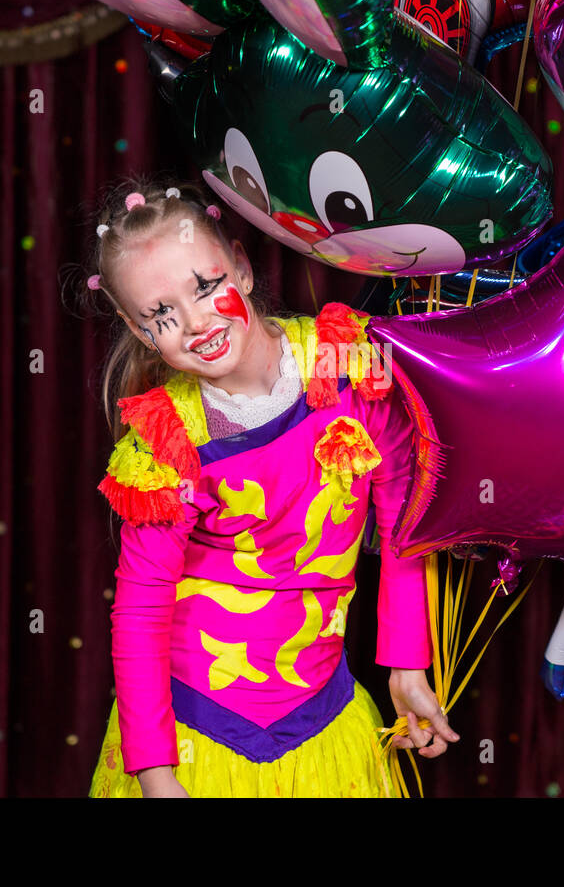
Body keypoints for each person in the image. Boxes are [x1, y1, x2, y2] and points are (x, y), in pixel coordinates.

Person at [83, 175, 458, 797]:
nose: (195, 321)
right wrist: (154, 771)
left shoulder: (350, 370)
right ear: (139, 329)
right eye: (161, 314)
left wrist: (407, 666)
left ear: (243, 268)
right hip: (198, 734)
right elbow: (140, 610)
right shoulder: (166, 443)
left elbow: (404, 522)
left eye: (206, 288)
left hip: (325, 714)